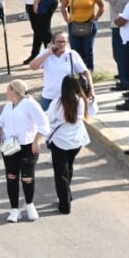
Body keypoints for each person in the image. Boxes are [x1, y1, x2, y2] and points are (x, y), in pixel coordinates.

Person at [0, 79, 51, 223]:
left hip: (27, 146)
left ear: (15, 90)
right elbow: (0, 121)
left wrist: (37, 140)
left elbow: (44, 124)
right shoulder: (8, 106)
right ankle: (14, 209)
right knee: (11, 176)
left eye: (8, 89)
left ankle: (29, 204)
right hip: (10, 145)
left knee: (27, 177)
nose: (6, 92)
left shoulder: (30, 104)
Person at [46, 76, 91, 214]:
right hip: (76, 141)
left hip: (60, 141)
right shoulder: (82, 102)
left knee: (60, 174)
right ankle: (67, 194)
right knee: (69, 168)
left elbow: (48, 118)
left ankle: (64, 204)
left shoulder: (57, 103)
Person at [29, 31, 93, 111]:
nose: (62, 44)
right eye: (59, 41)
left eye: (64, 42)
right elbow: (32, 66)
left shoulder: (72, 54)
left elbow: (85, 72)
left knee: (69, 122)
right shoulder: (46, 53)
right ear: (53, 42)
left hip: (68, 97)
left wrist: (91, 89)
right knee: (48, 122)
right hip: (49, 97)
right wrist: (48, 53)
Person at [60, 0, 105, 70]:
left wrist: (96, 18)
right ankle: (77, 72)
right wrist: (67, 19)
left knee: (87, 50)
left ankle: (88, 72)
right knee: (75, 51)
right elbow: (63, 7)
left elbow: (102, 7)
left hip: (89, 25)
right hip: (74, 25)